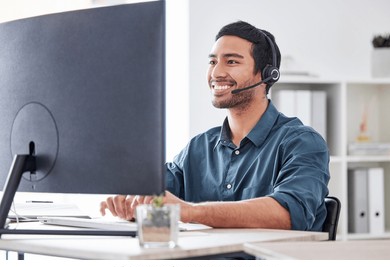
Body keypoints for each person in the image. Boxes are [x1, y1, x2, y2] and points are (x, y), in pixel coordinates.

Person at [100, 21, 330, 232]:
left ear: (267, 74)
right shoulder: (198, 147)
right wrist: (134, 201)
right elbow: (156, 193)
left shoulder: (302, 143)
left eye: (231, 61)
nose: (216, 73)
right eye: (212, 61)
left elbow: (288, 214)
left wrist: (189, 211)